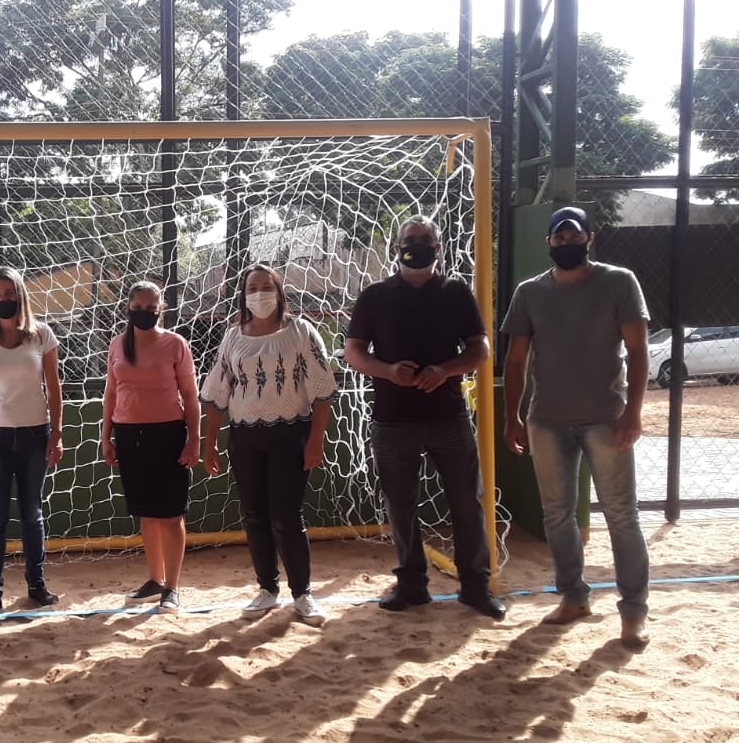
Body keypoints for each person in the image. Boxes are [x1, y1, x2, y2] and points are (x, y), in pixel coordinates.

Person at [502, 206, 651, 649]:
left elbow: (639, 351)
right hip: (547, 420)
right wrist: (512, 415)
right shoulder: (529, 293)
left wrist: (633, 412)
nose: (566, 243)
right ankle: (573, 597)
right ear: (549, 243)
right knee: (557, 515)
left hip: (606, 418)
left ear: (590, 238)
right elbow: (515, 359)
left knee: (622, 515)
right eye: (559, 238)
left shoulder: (619, 282)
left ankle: (634, 613)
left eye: (574, 236)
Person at [344, 215, 506, 620]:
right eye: (409, 239)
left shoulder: (455, 292)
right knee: (400, 505)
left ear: (439, 245)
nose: (417, 244)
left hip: (448, 417)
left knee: (467, 504)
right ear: (397, 247)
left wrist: (446, 370)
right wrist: (387, 371)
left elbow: (480, 348)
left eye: (425, 239)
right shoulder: (374, 296)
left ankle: (475, 586)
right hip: (391, 419)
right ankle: (412, 584)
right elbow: (353, 351)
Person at [200, 263, 338, 624]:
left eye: (266, 286)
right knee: (255, 514)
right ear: (244, 295)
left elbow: (322, 393)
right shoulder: (232, 337)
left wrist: (315, 440)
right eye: (252, 287)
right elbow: (217, 394)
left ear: (279, 292)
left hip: (290, 435)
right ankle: (267, 588)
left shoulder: (302, 332)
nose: (259, 293)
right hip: (245, 437)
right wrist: (209, 441)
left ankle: (303, 594)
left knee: (287, 515)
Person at [0, 266, 64, 615]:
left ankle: (37, 587)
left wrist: (57, 433)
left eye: (9, 294)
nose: (3, 299)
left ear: (20, 295)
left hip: (36, 435)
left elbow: (53, 387)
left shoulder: (42, 335)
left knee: (32, 515)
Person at [101, 281, 200, 614]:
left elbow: (190, 395)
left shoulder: (176, 345)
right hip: (129, 436)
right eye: (138, 307)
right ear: (128, 308)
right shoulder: (117, 344)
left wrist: (194, 438)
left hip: (168, 434)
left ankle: (172, 588)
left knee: (171, 515)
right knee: (147, 513)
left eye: (150, 307)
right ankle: (154, 580)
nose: (143, 312)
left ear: (161, 308)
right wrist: (106, 435)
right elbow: (111, 393)